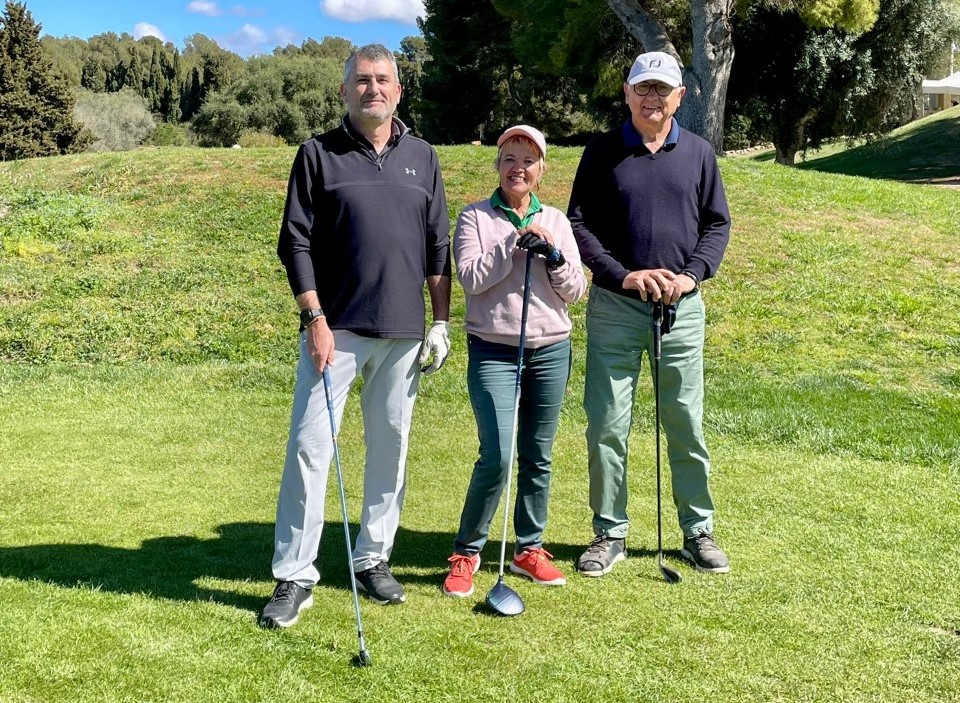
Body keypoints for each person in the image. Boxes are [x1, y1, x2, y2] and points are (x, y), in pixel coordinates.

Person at [260, 44, 451, 629]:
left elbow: (436, 247)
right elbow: (294, 241)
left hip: (403, 332)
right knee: (309, 448)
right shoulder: (317, 155)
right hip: (334, 329)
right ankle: (295, 574)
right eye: (362, 81)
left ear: (399, 90)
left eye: (383, 80)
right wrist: (313, 318)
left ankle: (373, 558)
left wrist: (442, 321)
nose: (373, 89)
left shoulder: (423, 157)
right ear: (345, 91)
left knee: (389, 451)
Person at [567, 51, 732, 577]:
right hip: (617, 306)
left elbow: (717, 225)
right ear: (627, 93)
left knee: (684, 422)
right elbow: (579, 225)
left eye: (662, 89)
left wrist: (691, 275)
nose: (652, 98)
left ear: (680, 96)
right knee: (607, 426)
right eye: (643, 88)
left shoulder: (700, 153)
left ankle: (697, 531)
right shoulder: (601, 151)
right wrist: (624, 275)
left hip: (680, 309)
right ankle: (608, 533)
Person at [442, 125, 587, 598]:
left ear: (541, 170)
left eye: (527, 160)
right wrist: (511, 246)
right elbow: (469, 279)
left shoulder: (558, 220)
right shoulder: (475, 218)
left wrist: (554, 256)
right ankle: (468, 551)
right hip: (494, 349)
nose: (517, 168)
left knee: (538, 454)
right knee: (498, 454)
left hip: (550, 348)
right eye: (509, 158)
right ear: (497, 165)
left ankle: (529, 549)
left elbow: (577, 291)